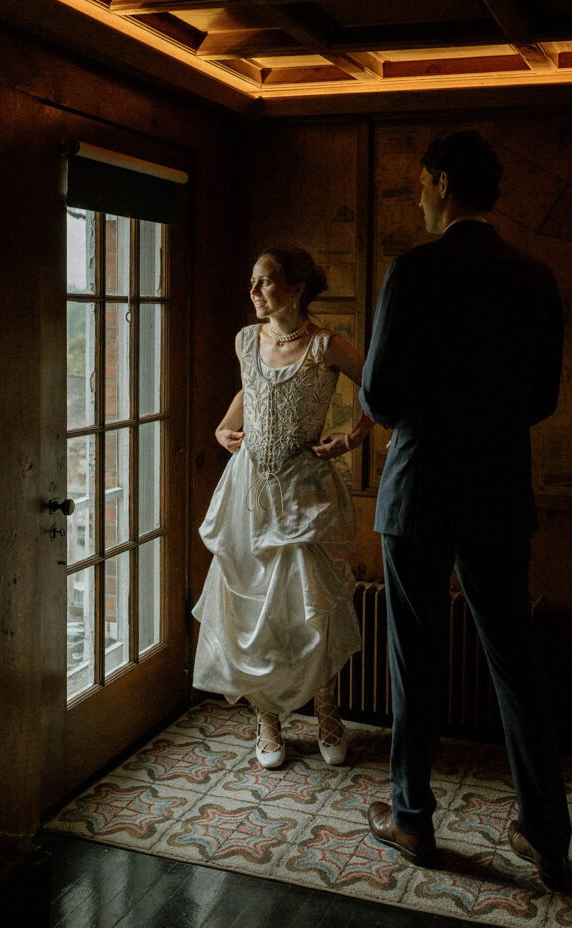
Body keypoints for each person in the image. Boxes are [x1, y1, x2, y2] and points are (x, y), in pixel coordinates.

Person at [359, 129, 572, 890]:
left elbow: (379, 398)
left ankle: (411, 819)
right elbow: (540, 399)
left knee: (415, 659)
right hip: (497, 489)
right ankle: (546, 834)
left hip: (417, 489)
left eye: (420, 185)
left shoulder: (413, 270)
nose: (418, 198)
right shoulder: (536, 277)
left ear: (442, 183)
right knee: (515, 662)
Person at [193, 246, 372, 769]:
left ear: (295, 289)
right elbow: (250, 392)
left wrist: (353, 438)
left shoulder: (326, 345)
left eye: (266, 282)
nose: (254, 291)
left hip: (304, 493)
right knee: (253, 610)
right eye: (252, 281)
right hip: (248, 491)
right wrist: (225, 426)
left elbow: (381, 388)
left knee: (308, 610)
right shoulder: (246, 339)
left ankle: (327, 713)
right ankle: (266, 719)